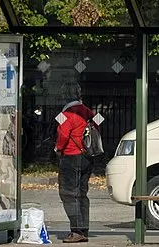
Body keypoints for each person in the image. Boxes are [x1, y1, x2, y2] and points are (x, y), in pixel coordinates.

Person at [52, 100, 97, 242]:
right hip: (86, 156)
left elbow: (63, 134)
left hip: (71, 156)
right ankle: (84, 229)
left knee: (69, 194)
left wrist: (58, 149)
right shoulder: (88, 111)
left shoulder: (65, 114)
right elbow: (99, 122)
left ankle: (77, 230)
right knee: (82, 194)